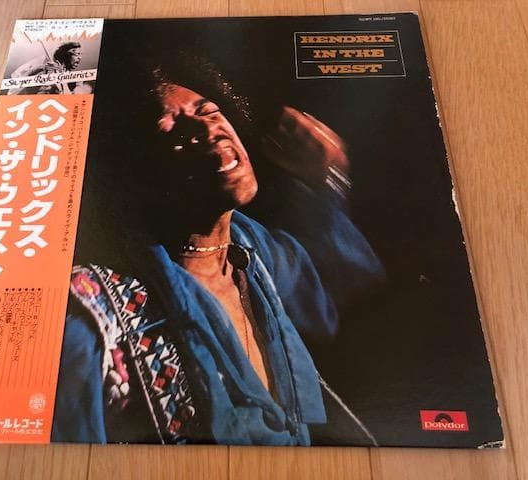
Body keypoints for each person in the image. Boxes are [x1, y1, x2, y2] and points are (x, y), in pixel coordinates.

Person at [51, 55, 384, 446]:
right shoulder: (91, 318)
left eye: (209, 111)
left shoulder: (251, 254)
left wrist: (329, 176)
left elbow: (338, 289)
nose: (208, 128)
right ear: (135, 174)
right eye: (171, 129)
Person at [7, 41, 90, 95]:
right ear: (66, 55)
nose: (80, 58)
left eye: (81, 55)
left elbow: (73, 98)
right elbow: (17, 82)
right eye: (77, 54)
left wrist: (62, 79)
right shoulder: (44, 66)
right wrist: (41, 68)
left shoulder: (76, 79)